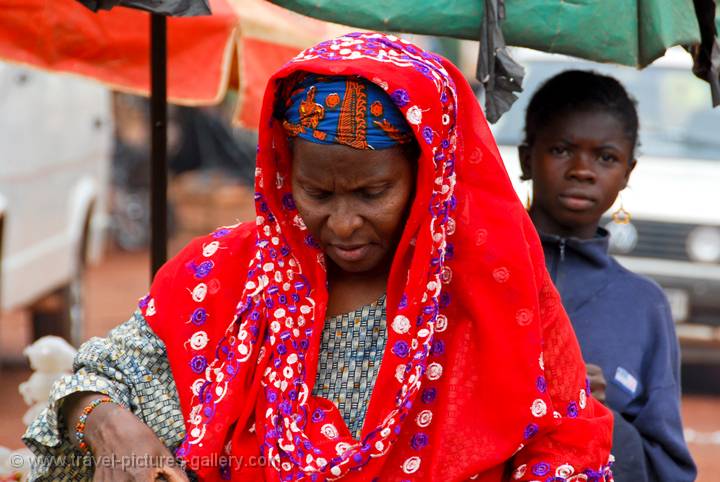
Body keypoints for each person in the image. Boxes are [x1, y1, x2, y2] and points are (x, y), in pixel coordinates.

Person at [24, 33, 614, 481]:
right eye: (317, 193)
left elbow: (565, 444)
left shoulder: (489, 298)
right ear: (284, 175)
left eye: (372, 193)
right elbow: (93, 381)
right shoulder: (225, 273)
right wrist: (105, 423)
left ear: (430, 177)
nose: (343, 222)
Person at [519, 70, 697, 482]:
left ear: (628, 172)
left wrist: (593, 412)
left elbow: (666, 468)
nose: (582, 170)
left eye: (606, 157)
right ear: (528, 158)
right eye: (562, 150)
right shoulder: (478, 270)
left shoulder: (643, 304)